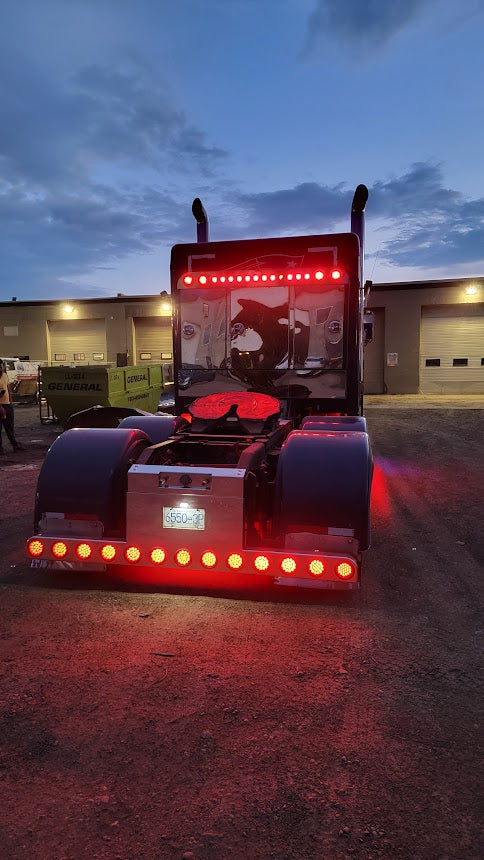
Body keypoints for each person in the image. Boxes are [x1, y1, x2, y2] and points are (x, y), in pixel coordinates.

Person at [0, 359, 22, 454]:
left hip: (7, 404)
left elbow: (8, 388)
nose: (0, 368)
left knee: (10, 427)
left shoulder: (5, 375)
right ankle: (0, 448)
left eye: (1, 366)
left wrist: (10, 402)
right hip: (0, 405)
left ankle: (15, 445)